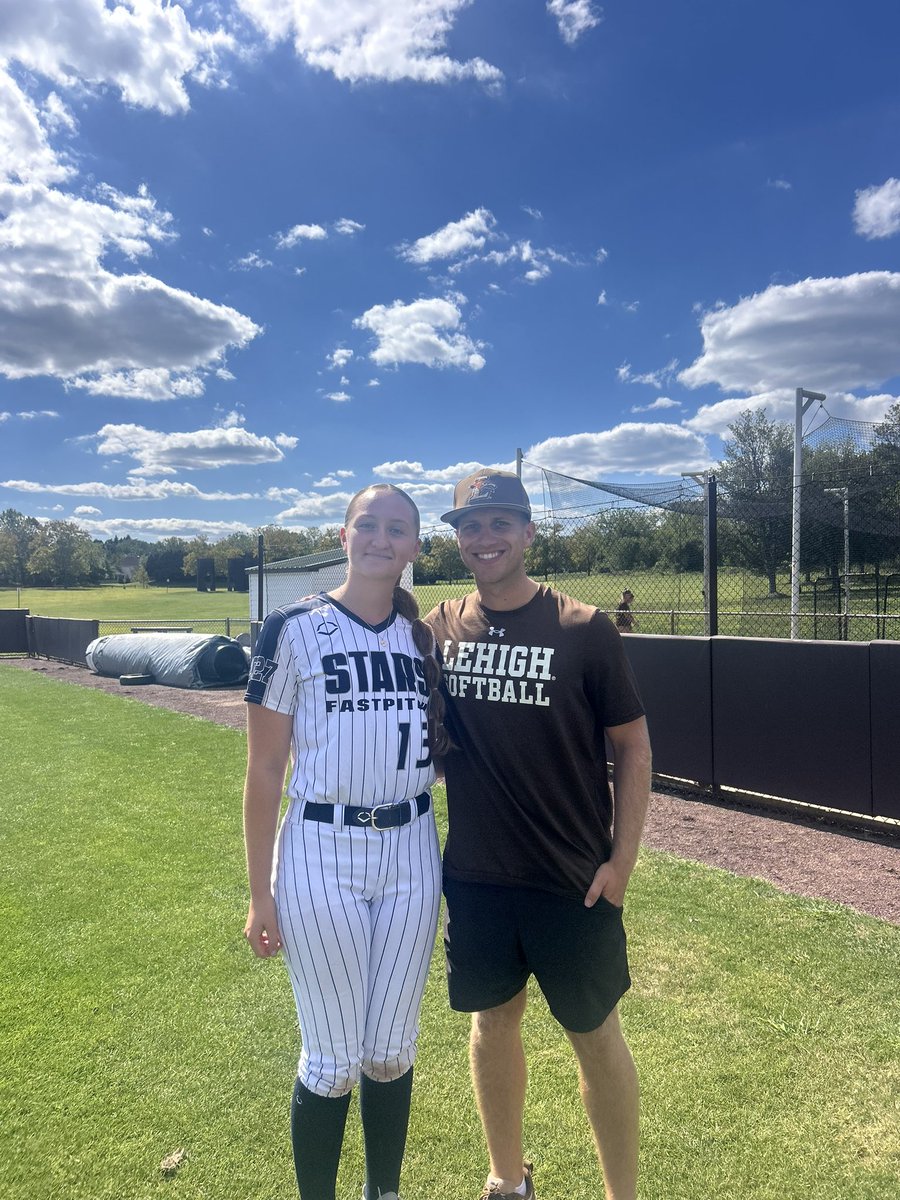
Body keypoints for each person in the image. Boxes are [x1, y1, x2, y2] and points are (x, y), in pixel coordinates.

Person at [426, 469, 652, 1200]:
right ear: (456, 539)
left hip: (572, 879)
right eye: (469, 525)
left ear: (528, 532)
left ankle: (622, 1193)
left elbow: (634, 747)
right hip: (479, 877)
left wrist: (622, 860)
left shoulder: (584, 629)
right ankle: (505, 1179)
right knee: (493, 1025)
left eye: (499, 523)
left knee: (596, 1037)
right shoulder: (438, 628)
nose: (483, 538)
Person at [243, 483, 449, 1200]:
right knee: (332, 1062)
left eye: (398, 529)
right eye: (369, 524)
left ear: (416, 547)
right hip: (321, 851)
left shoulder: (426, 638)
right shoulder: (292, 627)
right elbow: (266, 769)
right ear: (344, 534)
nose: (382, 539)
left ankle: (383, 1192)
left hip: (411, 847)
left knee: (390, 1053)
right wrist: (258, 893)